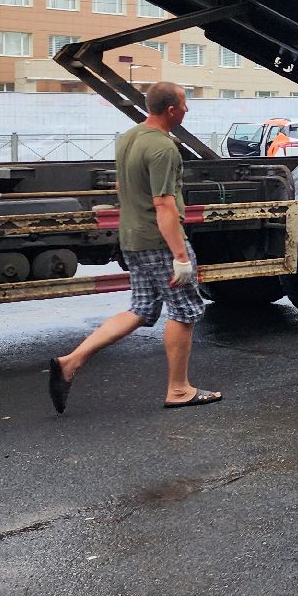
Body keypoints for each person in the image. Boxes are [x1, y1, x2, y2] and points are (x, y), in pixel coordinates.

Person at [48, 82, 221, 412]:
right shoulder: (163, 148)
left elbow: (121, 185)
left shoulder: (128, 138)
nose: (187, 110)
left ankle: (71, 361)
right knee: (184, 312)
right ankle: (179, 389)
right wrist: (181, 256)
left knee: (141, 309)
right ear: (170, 110)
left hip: (131, 237)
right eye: (185, 105)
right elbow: (164, 205)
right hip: (160, 241)